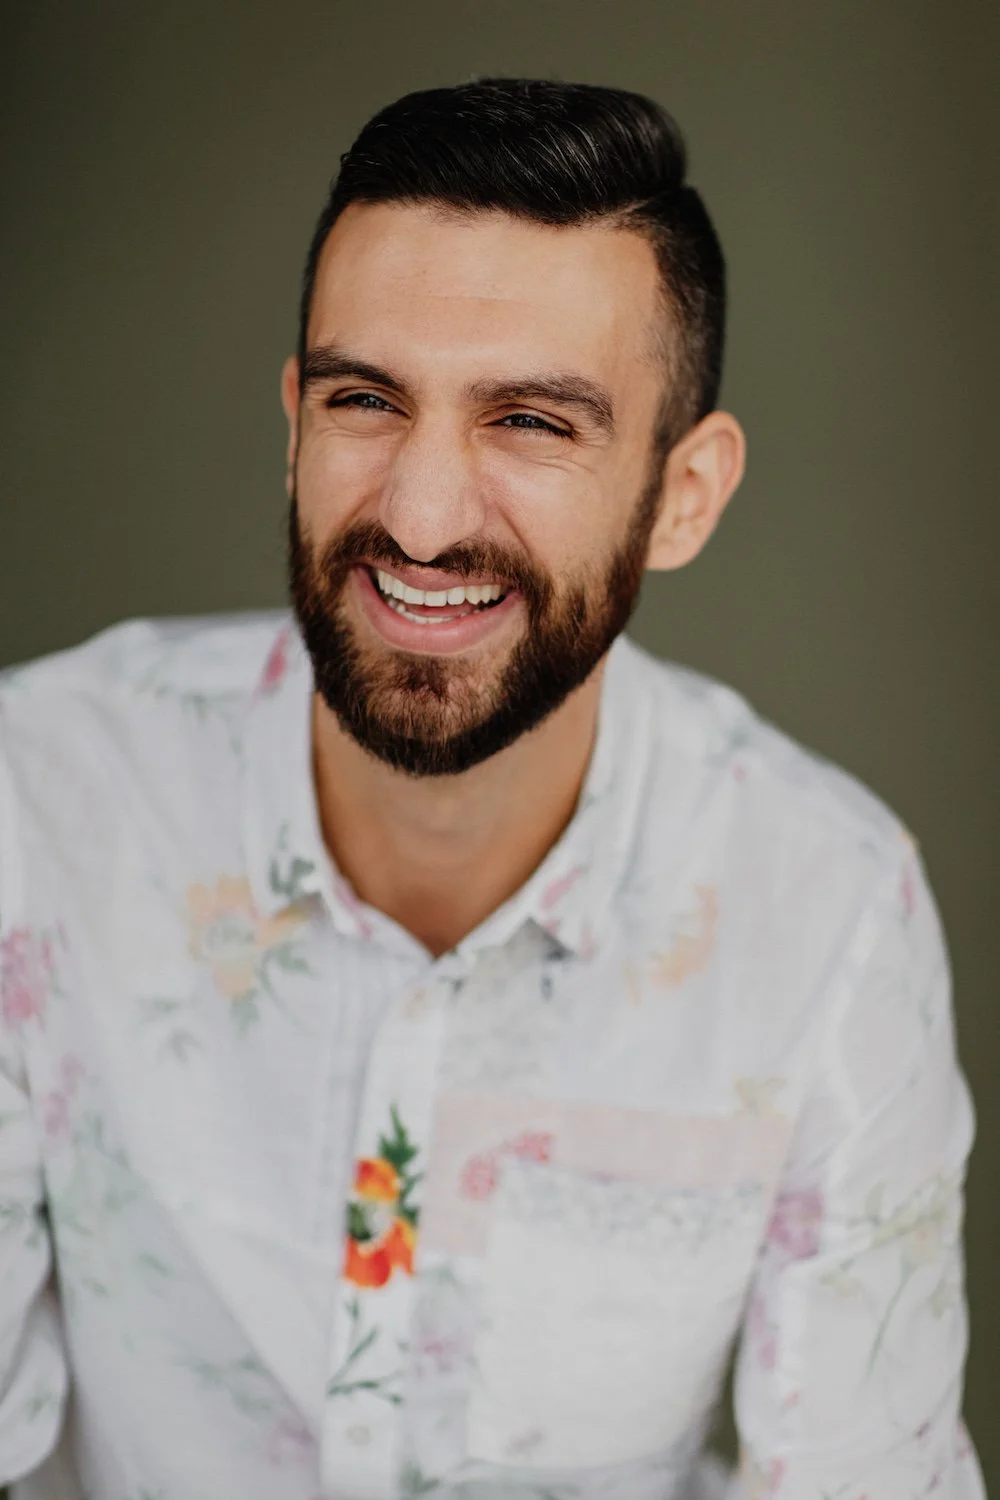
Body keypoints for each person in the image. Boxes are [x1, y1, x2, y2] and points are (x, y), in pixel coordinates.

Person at [0, 77, 983, 1500]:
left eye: (532, 421)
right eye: (364, 400)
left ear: (685, 493)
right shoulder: (36, 804)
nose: (418, 513)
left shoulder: (830, 913)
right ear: (293, 423)